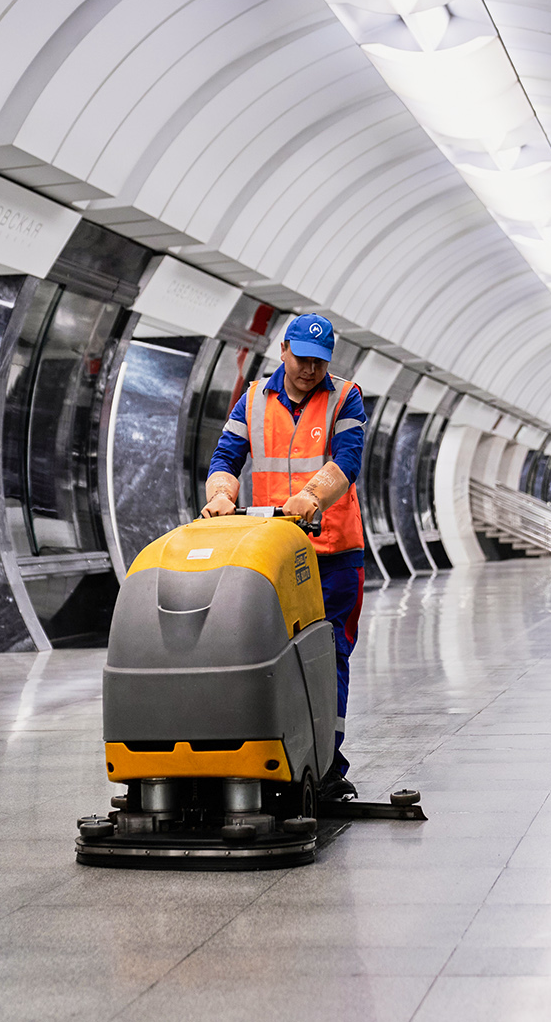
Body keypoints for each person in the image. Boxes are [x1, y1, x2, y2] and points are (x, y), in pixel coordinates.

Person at [201, 313, 368, 802]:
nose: (309, 371)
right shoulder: (253, 399)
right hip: (274, 554)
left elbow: (348, 459)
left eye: (319, 363)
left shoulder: (345, 396)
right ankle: (270, 755)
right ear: (284, 351)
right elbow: (226, 458)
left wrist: (313, 496)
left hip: (335, 555)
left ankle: (328, 765)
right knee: (268, 653)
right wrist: (220, 494)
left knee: (331, 653)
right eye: (302, 359)